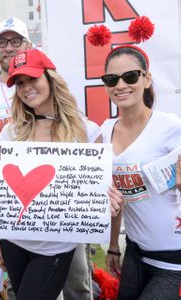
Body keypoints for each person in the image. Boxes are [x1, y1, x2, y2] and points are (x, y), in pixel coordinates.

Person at [0, 48, 123, 300]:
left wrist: (106, 200)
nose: (26, 87)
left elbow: (103, 187)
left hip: (57, 247)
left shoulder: (86, 131)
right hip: (14, 243)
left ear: (50, 78)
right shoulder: (11, 132)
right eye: (19, 83)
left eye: (32, 79)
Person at [100, 45, 181, 299]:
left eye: (130, 76)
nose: (121, 85)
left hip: (173, 260)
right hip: (136, 253)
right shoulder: (104, 132)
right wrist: (114, 246)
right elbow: (115, 198)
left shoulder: (170, 127)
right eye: (111, 79)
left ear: (146, 79)